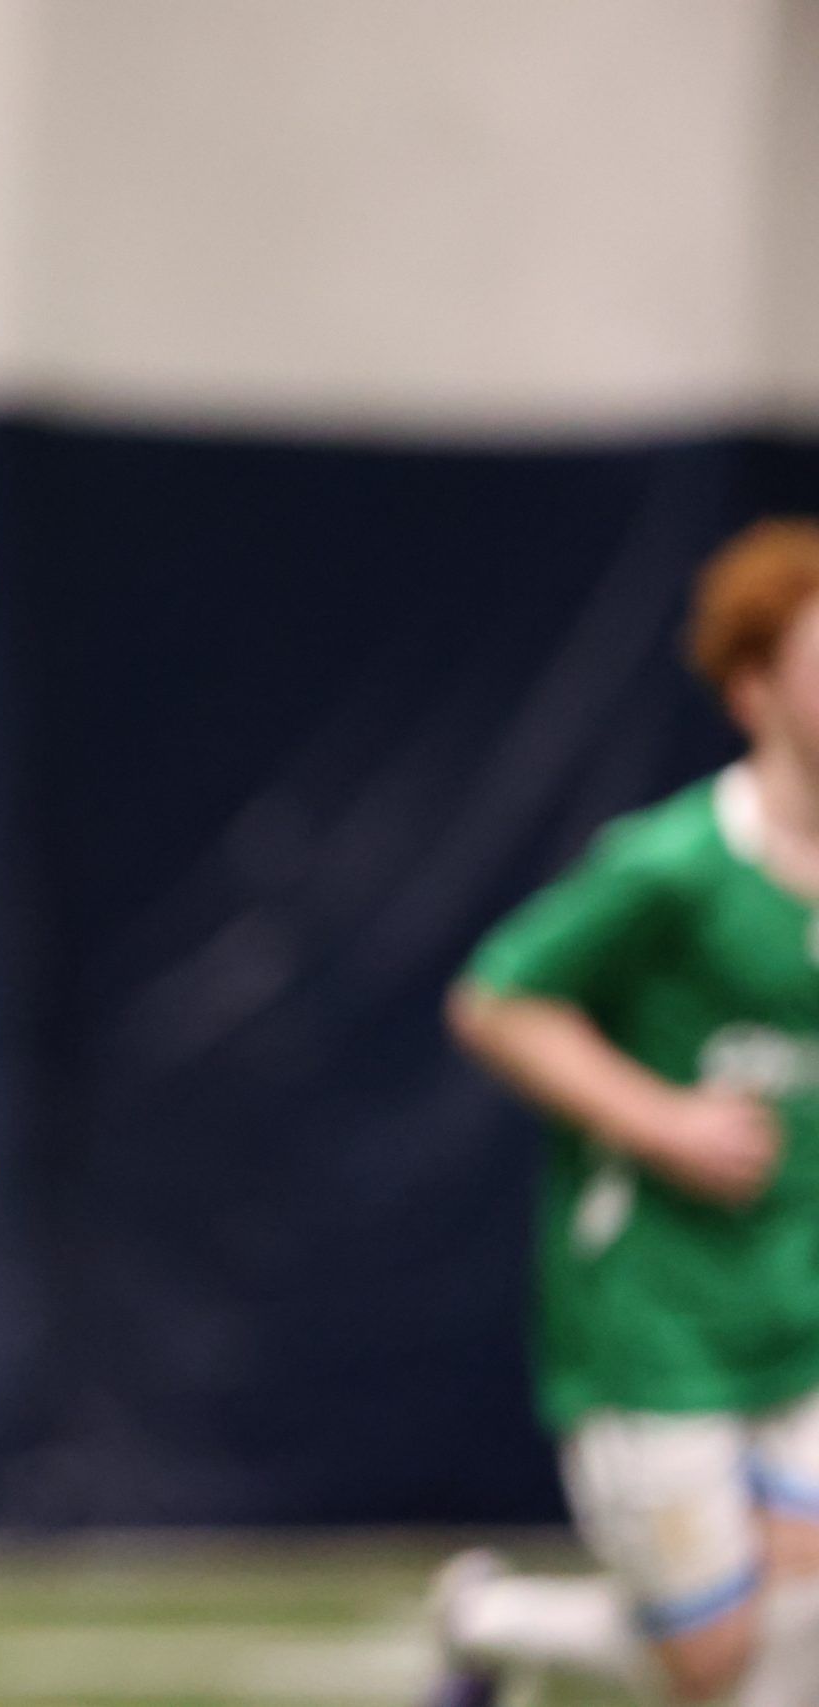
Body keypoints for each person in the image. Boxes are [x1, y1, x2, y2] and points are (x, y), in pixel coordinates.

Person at [426, 519, 819, 1706]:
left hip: (796, 1306)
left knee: (786, 1629)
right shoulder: (675, 864)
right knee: (715, 1657)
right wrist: (662, 1121)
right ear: (753, 692)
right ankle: (486, 1620)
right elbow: (496, 1000)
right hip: (655, 1318)